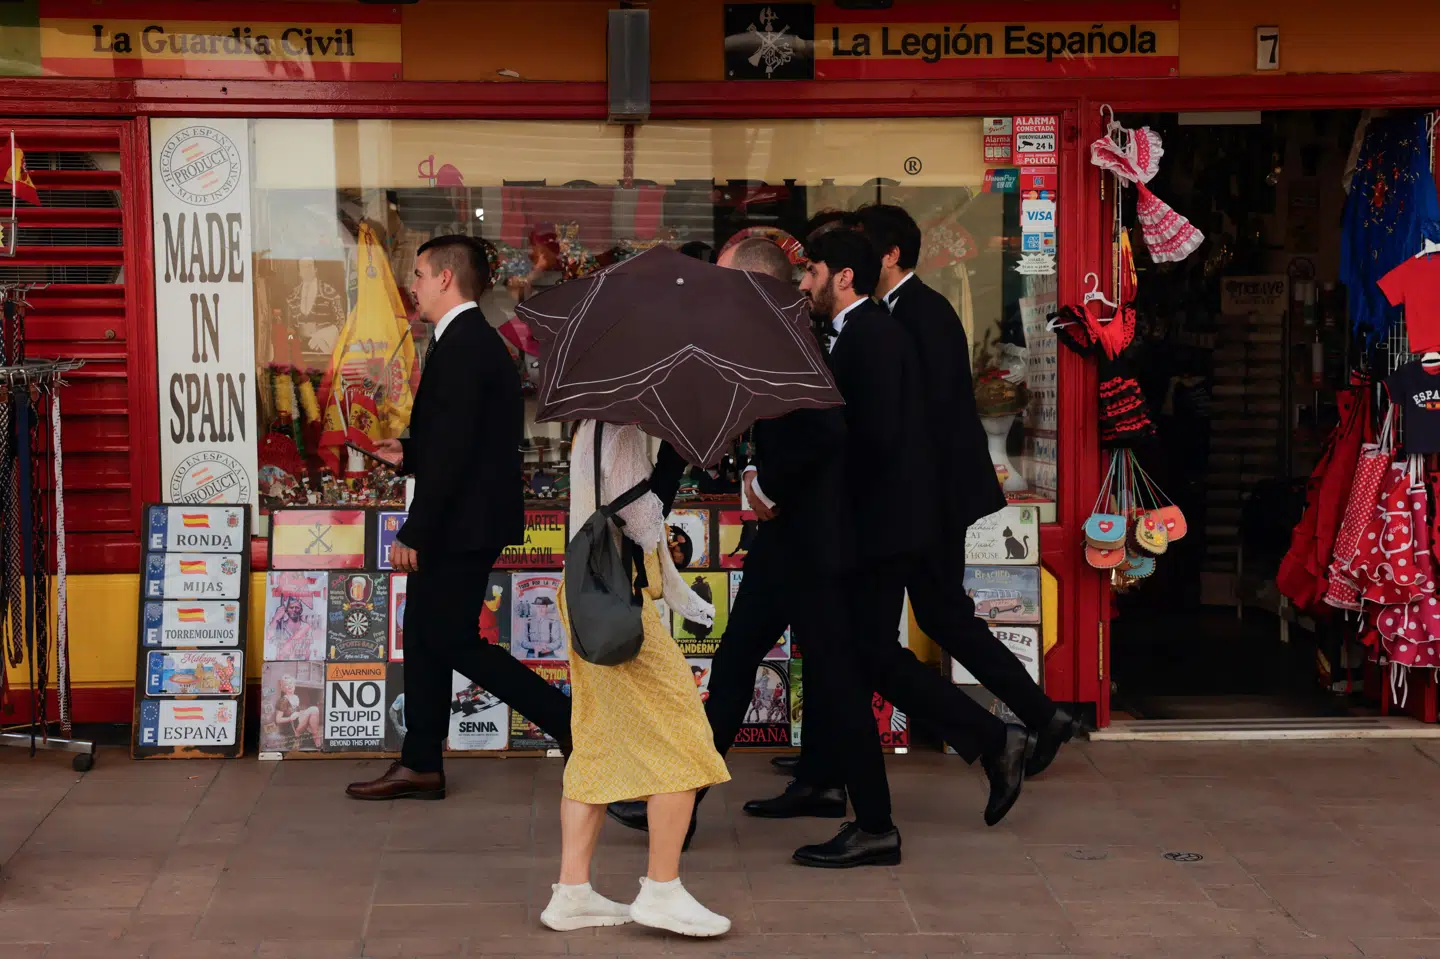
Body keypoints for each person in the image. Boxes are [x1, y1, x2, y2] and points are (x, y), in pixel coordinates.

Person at [609, 238, 901, 869]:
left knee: (840, 679)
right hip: (790, 540)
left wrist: (765, 485)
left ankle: (877, 826)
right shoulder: (763, 332)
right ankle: (680, 806)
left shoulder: (783, 334)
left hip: (814, 538)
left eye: (720, 278)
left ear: (749, 284)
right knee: (737, 658)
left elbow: (824, 432)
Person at [749, 227, 1033, 827]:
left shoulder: (874, 336)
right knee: (862, 655)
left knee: (862, 654)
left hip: (878, 531)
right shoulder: (854, 333)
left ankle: (979, 745)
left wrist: (800, 480)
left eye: (812, 271)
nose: (804, 283)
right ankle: (853, 781)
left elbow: (872, 441)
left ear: (842, 277)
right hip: (866, 528)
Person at [347, 235, 573, 802]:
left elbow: (454, 455)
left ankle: (574, 726)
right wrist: (409, 451)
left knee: (450, 639)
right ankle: (420, 761)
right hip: (463, 517)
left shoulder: (466, 343)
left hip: (461, 524)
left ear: (445, 278)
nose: (413, 286)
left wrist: (416, 530)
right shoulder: (463, 339)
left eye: (419, 274)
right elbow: (456, 439)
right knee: (427, 635)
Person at [857, 203, 1081, 775]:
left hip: (931, 500)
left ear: (890, 255)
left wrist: (915, 504)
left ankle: (1027, 722)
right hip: (922, 500)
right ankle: (1042, 715)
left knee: (932, 619)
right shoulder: (896, 311)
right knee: (939, 617)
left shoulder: (923, 313)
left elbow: (932, 418)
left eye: (864, 247)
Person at [541, 420, 731, 938]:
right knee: (684, 737)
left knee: (596, 743)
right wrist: (673, 461)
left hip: (589, 597)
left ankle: (572, 893)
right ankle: (662, 889)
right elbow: (642, 521)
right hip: (619, 603)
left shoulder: (591, 426)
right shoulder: (621, 430)